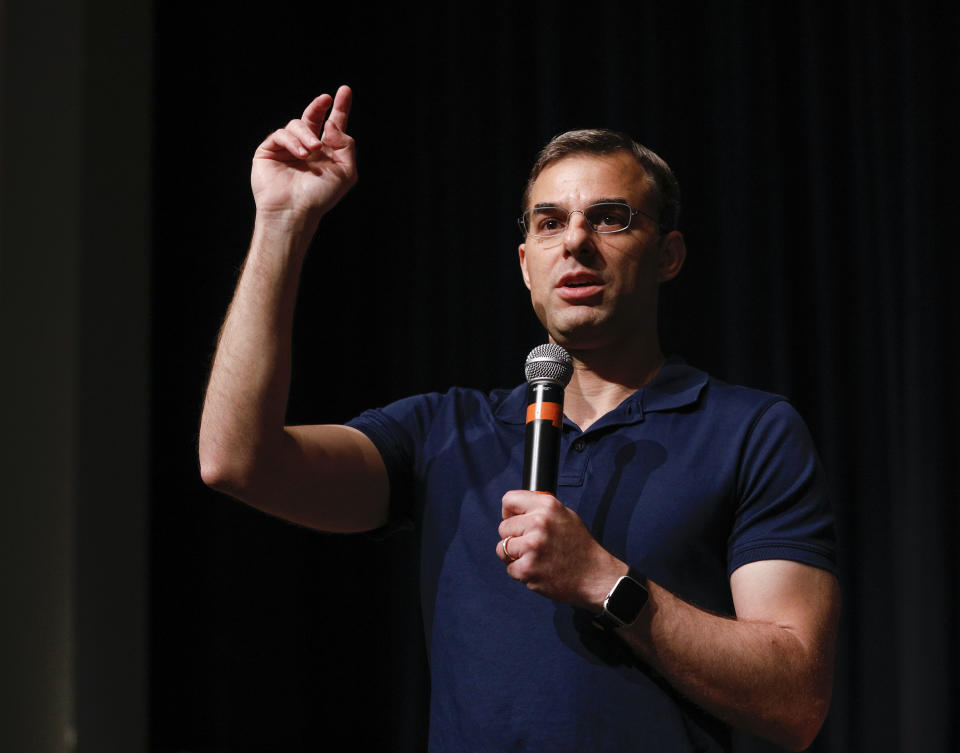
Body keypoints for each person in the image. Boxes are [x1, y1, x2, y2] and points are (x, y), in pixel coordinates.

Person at [199, 85, 840, 752]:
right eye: (549, 222)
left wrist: (605, 583)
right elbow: (237, 460)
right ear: (526, 265)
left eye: (611, 217)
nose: (577, 243)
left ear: (668, 255)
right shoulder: (443, 432)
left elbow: (795, 700)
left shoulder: (750, 430)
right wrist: (281, 222)